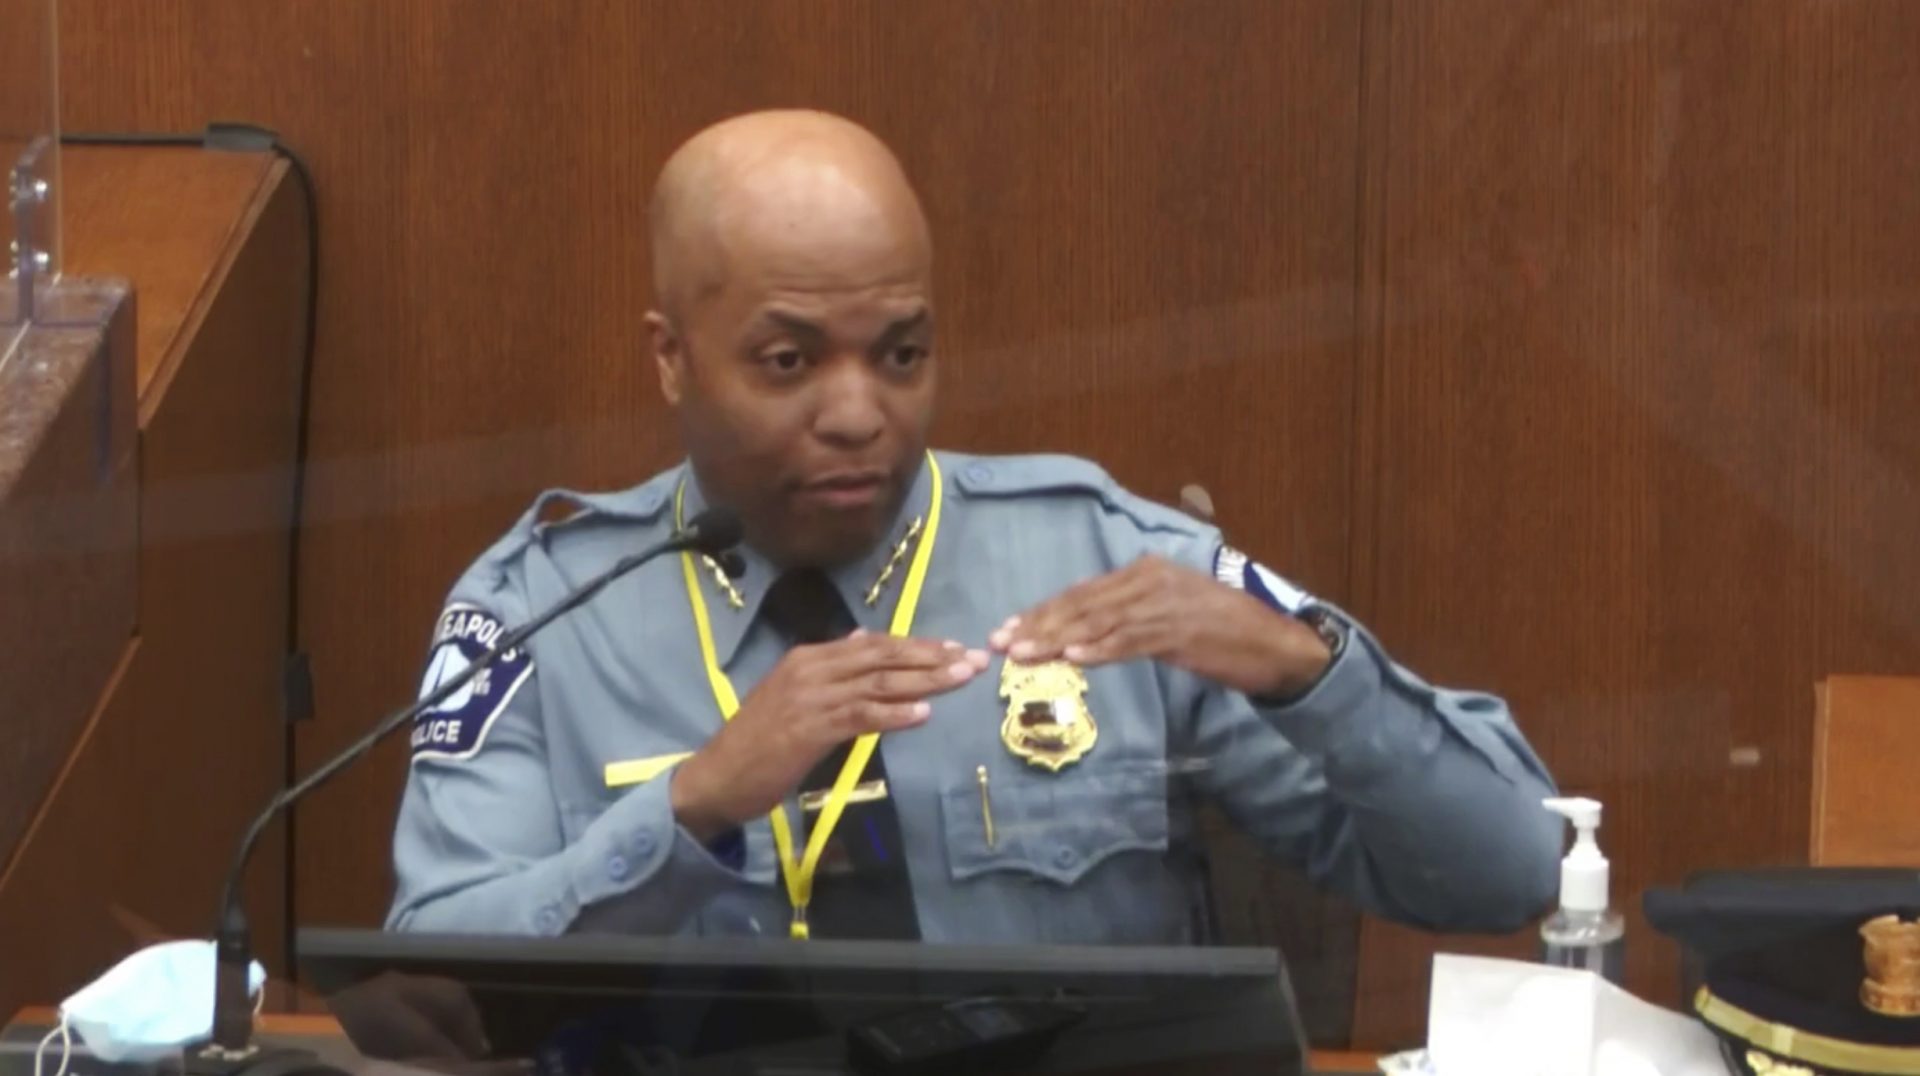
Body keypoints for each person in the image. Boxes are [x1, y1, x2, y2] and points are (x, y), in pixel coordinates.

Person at [386, 109, 1561, 945]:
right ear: (671, 359)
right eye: (789, 361)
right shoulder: (539, 608)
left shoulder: (1107, 566)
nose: (859, 413)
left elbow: (1513, 875)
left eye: (902, 353)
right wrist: (692, 802)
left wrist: (1316, 673)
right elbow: (421, 978)